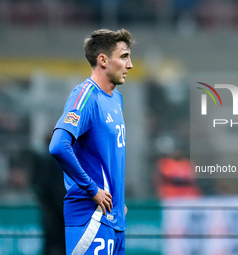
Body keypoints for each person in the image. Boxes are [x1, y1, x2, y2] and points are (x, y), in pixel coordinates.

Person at [49, 28, 134, 255]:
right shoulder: (85, 95)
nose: (130, 65)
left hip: (114, 219)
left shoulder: (116, 98)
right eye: (124, 56)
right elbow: (58, 145)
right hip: (91, 216)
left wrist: (117, 200)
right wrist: (92, 189)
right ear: (103, 60)